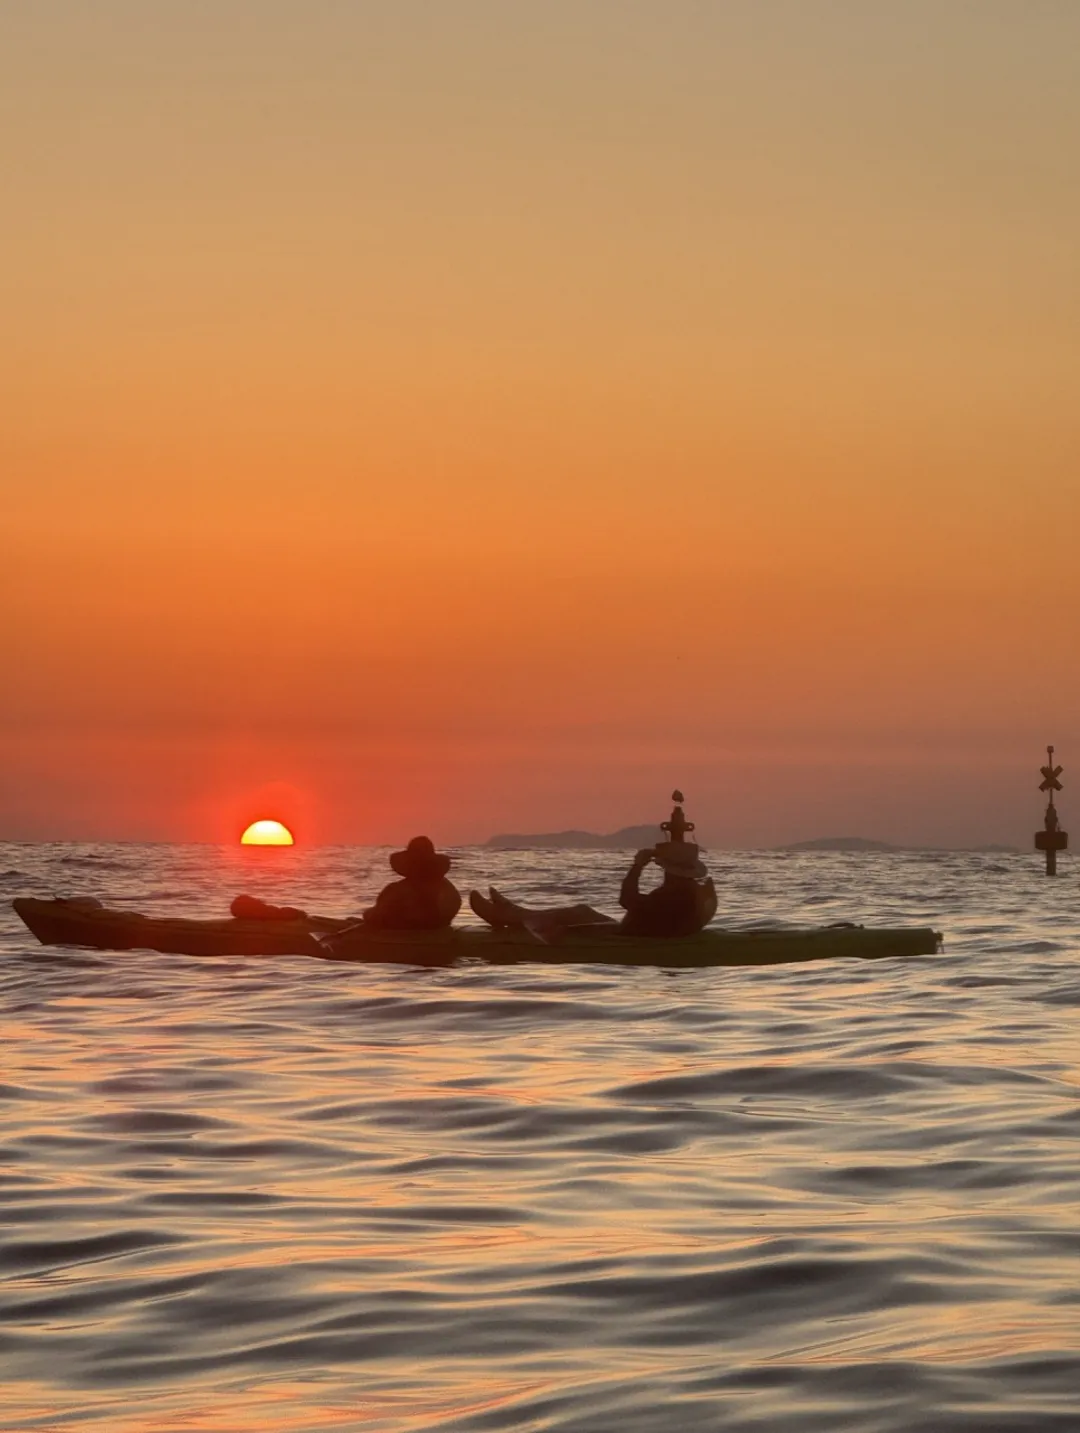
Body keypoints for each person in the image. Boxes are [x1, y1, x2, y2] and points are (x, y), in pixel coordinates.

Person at [469, 838, 716, 941]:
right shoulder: (685, 888)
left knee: (578, 914)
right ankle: (514, 912)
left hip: (628, 939)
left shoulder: (673, 893)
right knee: (581, 910)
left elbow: (626, 900)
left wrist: (637, 867)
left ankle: (506, 915)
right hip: (632, 932)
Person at [361, 836, 462, 931]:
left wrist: (367, 914)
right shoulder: (447, 887)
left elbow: (376, 916)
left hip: (408, 934)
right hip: (437, 931)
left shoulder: (398, 890)